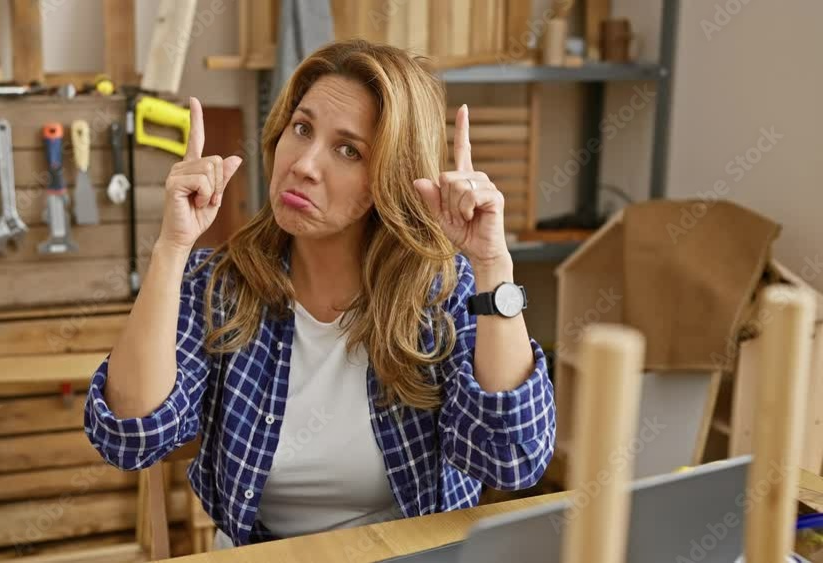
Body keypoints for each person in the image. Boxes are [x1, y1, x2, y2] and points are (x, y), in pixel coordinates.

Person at [84, 39, 555, 549]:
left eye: (348, 149)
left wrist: (492, 265)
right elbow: (128, 439)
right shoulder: (220, 285)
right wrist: (172, 247)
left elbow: (512, 459)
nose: (305, 164)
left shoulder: (442, 293)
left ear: (389, 179)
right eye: (302, 128)